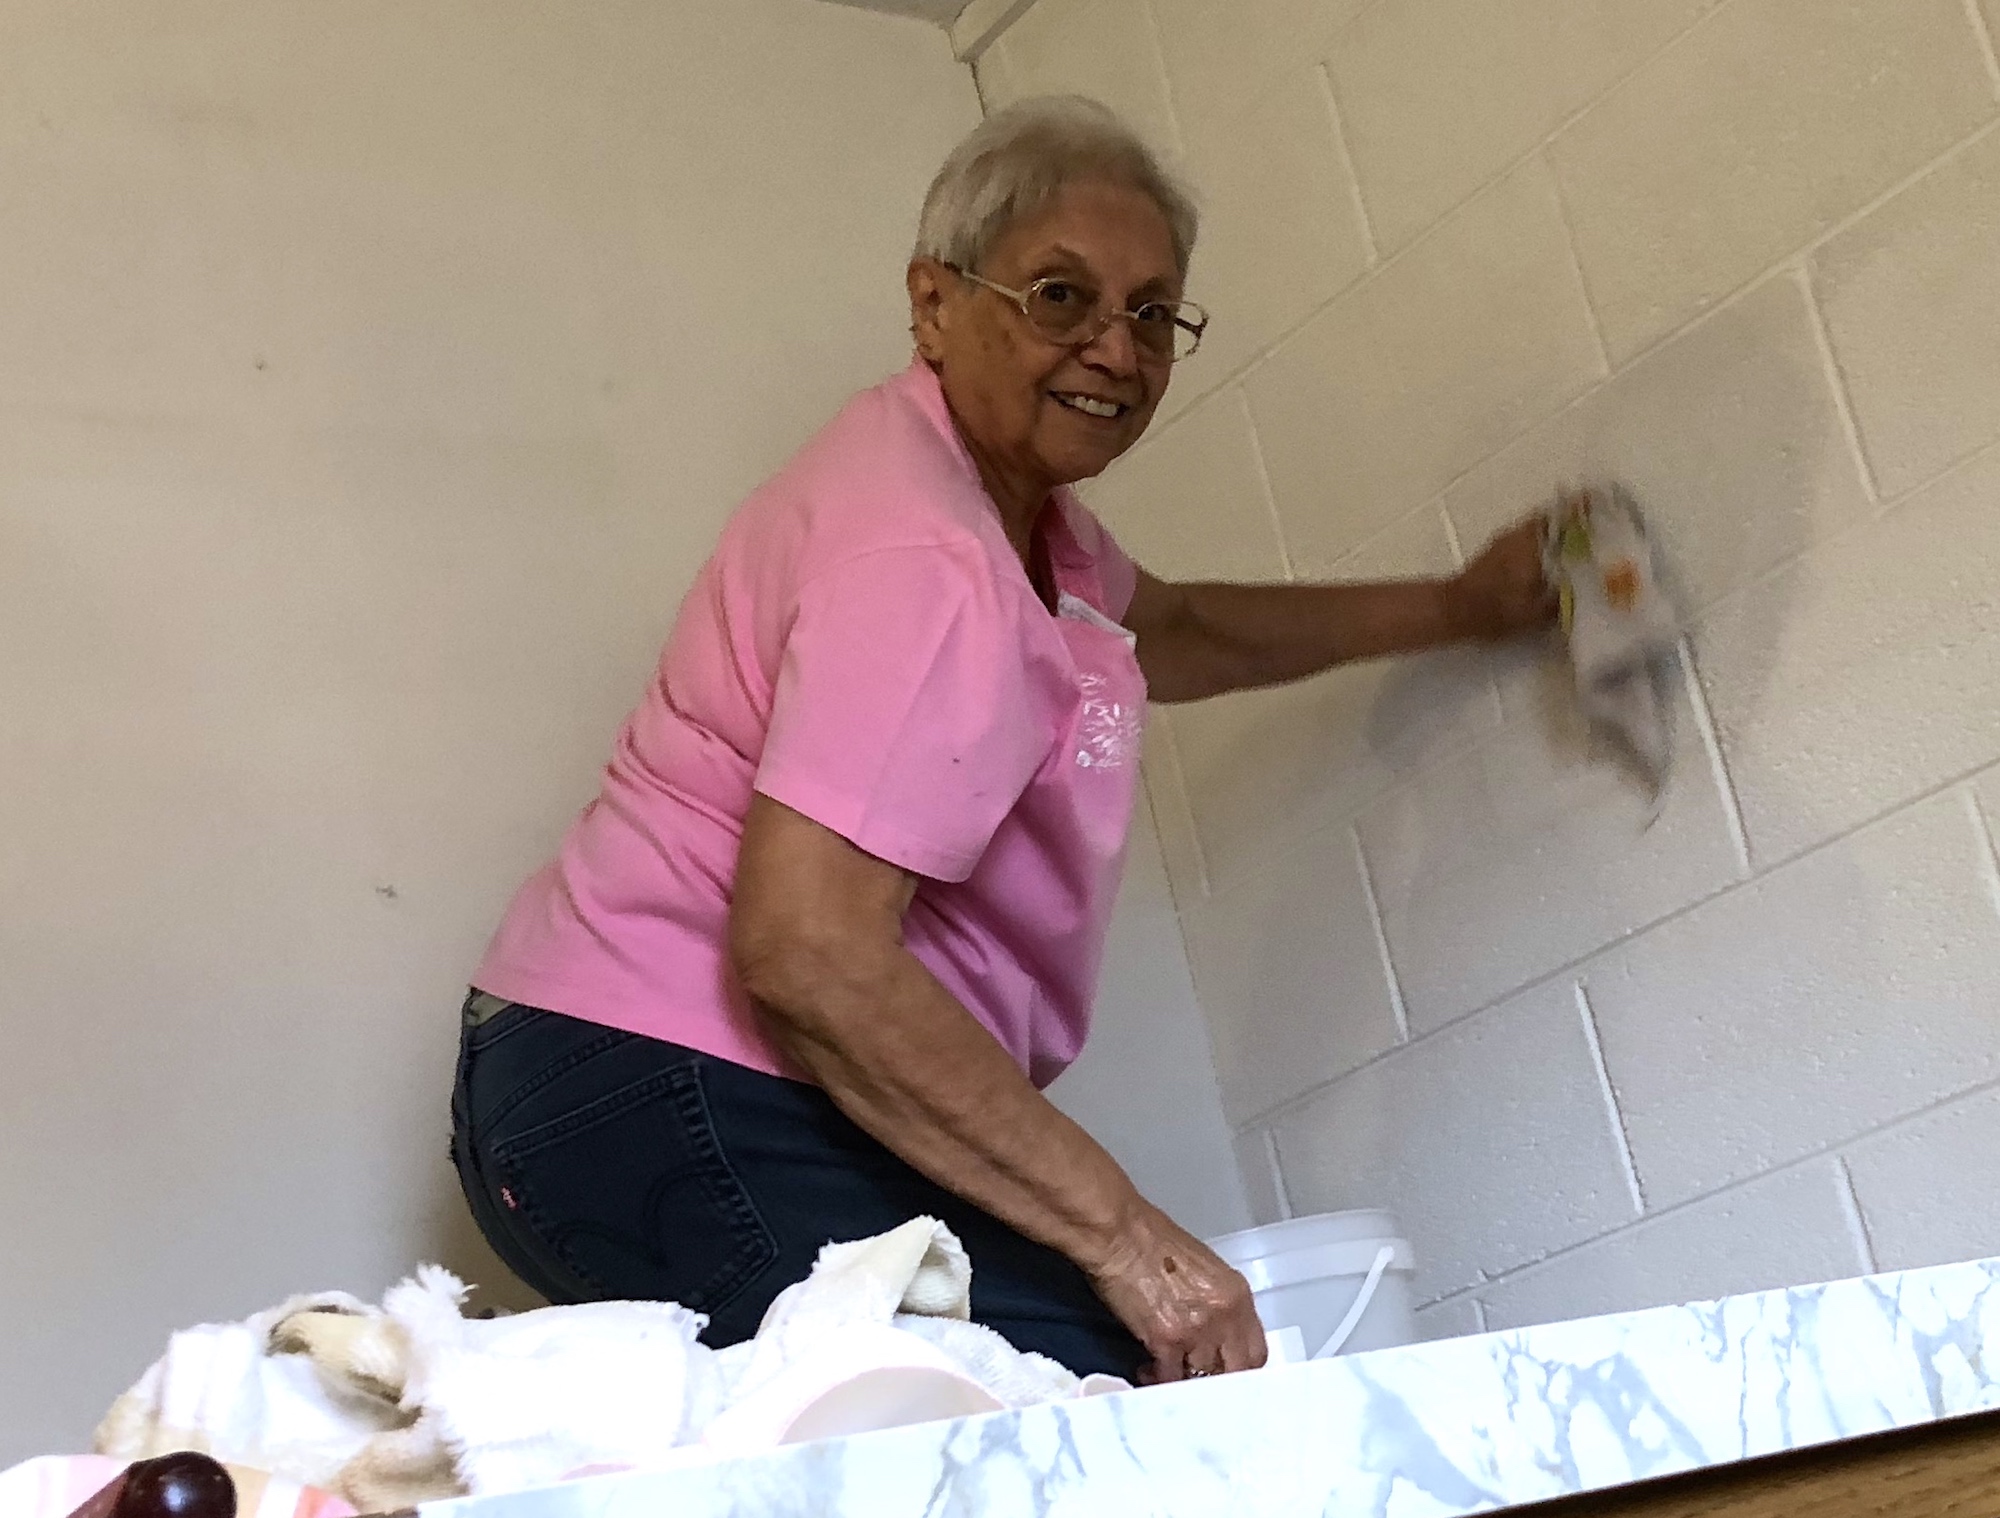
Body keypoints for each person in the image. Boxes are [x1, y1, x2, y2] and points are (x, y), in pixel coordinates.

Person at [449, 96, 1554, 1386]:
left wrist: (1457, 608)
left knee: (1004, 1415)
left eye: (1153, 312)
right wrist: (1133, 1241)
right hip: (661, 1081)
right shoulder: (930, 555)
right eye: (1059, 295)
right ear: (934, 304)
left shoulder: (1032, 528)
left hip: (622, 1082)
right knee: (1092, 1390)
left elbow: (1181, 632)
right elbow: (807, 954)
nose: (1115, 347)